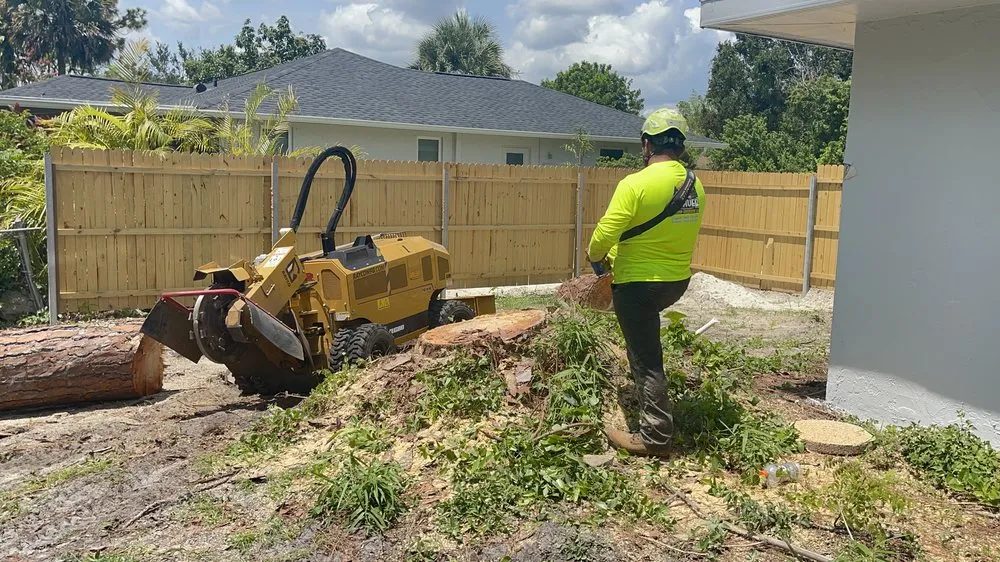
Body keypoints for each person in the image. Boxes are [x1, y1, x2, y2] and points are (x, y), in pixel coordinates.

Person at [586, 108, 706, 457]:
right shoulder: (694, 184)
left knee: (646, 358)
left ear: (646, 144)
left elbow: (605, 233)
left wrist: (595, 255)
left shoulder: (635, 183)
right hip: (676, 281)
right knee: (645, 343)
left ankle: (654, 437)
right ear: (680, 146)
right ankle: (658, 412)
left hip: (638, 286)